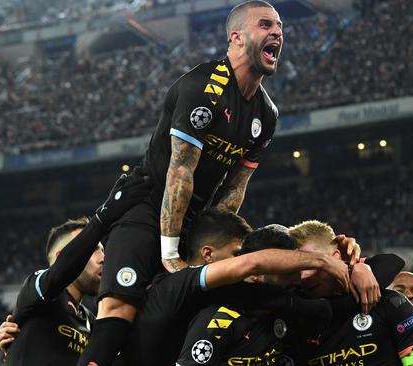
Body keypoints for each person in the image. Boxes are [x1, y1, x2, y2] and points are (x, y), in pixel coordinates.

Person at [80, 1, 286, 363]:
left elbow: (235, 187)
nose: (278, 33)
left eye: (280, 27)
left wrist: (211, 237)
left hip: (191, 220)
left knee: (171, 320)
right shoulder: (203, 87)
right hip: (145, 204)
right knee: (118, 308)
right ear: (236, 37)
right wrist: (170, 253)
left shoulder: (266, 115)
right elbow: (180, 173)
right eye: (266, 24)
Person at [117, 208, 351, 365]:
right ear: (207, 254)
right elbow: (253, 264)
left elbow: (323, 308)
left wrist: (360, 267)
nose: (297, 279)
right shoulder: (181, 291)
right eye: (237, 255)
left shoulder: (258, 301)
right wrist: (323, 260)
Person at [1, 172, 150, 366]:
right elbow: (57, 277)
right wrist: (103, 218)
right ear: (61, 256)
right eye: (93, 249)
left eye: (103, 250)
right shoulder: (34, 291)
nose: (104, 258)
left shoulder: (92, 320)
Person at [288, 220, 413, 366]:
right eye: (297, 266)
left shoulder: (392, 304)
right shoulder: (293, 319)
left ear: (335, 258)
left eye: (312, 262)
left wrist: (358, 266)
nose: (303, 276)